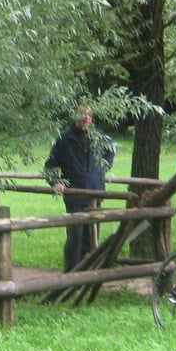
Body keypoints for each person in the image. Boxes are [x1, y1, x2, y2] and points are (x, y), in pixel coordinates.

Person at [45, 104, 115, 271]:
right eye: (83, 114)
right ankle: (72, 273)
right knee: (76, 236)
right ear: (75, 116)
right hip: (74, 193)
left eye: (89, 115)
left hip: (94, 191)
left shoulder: (100, 137)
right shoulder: (64, 139)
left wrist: (100, 169)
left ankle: (89, 272)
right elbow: (50, 166)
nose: (86, 118)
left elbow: (110, 153)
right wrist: (56, 182)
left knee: (92, 235)